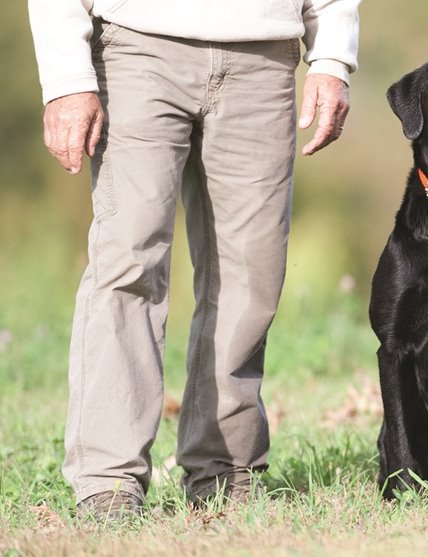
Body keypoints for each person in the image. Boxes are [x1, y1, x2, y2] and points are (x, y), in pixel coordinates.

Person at [28, 0, 360, 519]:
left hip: (265, 56)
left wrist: (332, 57)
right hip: (136, 46)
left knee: (253, 272)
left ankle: (226, 472)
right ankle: (109, 480)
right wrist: (68, 78)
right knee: (128, 263)